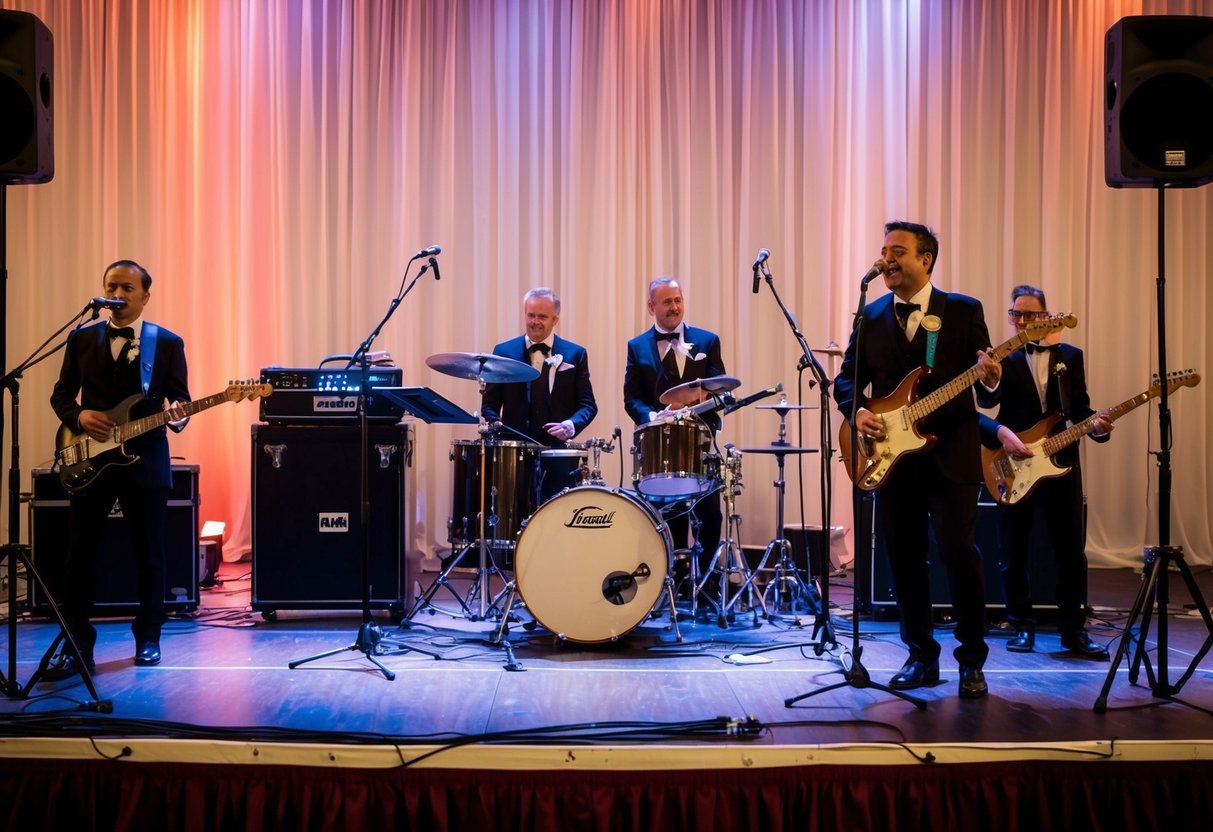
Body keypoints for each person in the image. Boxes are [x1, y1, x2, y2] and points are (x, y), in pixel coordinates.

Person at [834, 221, 1001, 698]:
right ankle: (921, 655)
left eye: (898, 251)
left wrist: (989, 378)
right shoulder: (870, 315)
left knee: (958, 552)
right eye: (884, 251)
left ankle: (972, 659)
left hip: (951, 456)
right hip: (893, 459)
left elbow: (991, 389)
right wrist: (860, 410)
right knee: (904, 558)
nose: (886, 259)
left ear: (926, 259)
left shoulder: (964, 310)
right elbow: (846, 380)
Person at [45, 260, 191, 680]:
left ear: (146, 296)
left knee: (151, 554)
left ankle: (148, 637)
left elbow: (180, 402)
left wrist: (180, 415)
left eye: (128, 288)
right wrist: (80, 416)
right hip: (89, 457)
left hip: (145, 459)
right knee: (80, 557)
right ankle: (76, 645)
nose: (120, 294)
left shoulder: (166, 343)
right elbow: (60, 396)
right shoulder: (81, 338)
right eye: (113, 286)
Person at [979, 285, 1111, 659]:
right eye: (1014, 314)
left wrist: (1097, 427)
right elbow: (987, 402)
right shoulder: (1004, 356)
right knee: (1013, 550)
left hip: (1061, 462)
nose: (1020, 321)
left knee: (1070, 552)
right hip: (1014, 463)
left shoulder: (1071, 356)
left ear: (1045, 316)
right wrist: (988, 377)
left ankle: (1074, 632)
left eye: (1028, 314)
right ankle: (1021, 625)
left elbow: (1080, 410)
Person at [623, 277, 726, 594]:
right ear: (651, 307)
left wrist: (700, 403)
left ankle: (707, 587)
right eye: (667, 302)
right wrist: (652, 417)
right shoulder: (637, 346)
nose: (674, 307)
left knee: (710, 515)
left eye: (678, 300)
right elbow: (632, 399)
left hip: (700, 443)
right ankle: (669, 585)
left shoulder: (707, 341)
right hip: (659, 446)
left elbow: (721, 389)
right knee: (668, 516)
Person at [481, 287, 598, 449]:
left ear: (555, 319)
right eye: (531, 315)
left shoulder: (576, 354)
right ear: (524, 314)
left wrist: (571, 425)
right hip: (513, 453)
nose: (535, 322)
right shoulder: (503, 352)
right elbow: (489, 405)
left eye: (542, 317)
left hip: (558, 452)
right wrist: (497, 427)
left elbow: (588, 405)